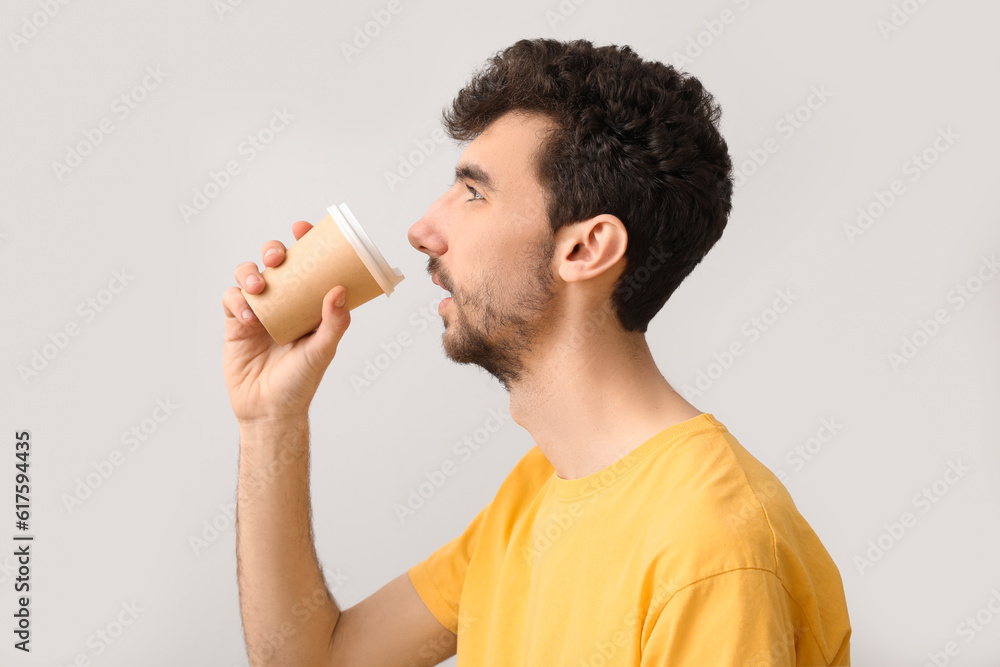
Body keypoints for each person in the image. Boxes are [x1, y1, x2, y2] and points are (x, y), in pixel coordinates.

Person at [222, 37, 851, 666]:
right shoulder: (537, 494)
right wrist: (269, 420)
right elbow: (314, 660)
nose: (420, 231)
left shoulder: (711, 547)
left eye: (474, 193)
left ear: (585, 249)